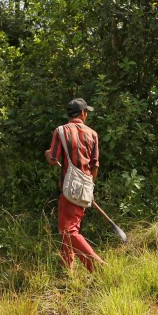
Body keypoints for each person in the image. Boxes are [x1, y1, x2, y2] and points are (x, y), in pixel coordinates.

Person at [45, 98, 105, 272]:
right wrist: (89, 188)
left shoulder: (61, 131)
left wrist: (47, 153)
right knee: (69, 228)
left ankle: (97, 267)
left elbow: (53, 159)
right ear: (83, 113)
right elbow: (95, 165)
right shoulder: (93, 134)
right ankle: (66, 270)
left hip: (68, 188)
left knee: (68, 232)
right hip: (86, 187)